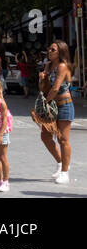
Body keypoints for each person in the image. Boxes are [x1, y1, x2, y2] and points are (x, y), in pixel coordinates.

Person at [38, 40, 73, 185]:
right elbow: (43, 88)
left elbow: (56, 88)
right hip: (52, 105)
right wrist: (43, 77)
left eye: (53, 49)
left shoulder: (63, 66)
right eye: (49, 48)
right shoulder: (49, 66)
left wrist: (45, 102)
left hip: (64, 105)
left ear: (60, 52)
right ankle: (61, 162)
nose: (49, 51)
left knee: (63, 139)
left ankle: (65, 172)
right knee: (45, 136)